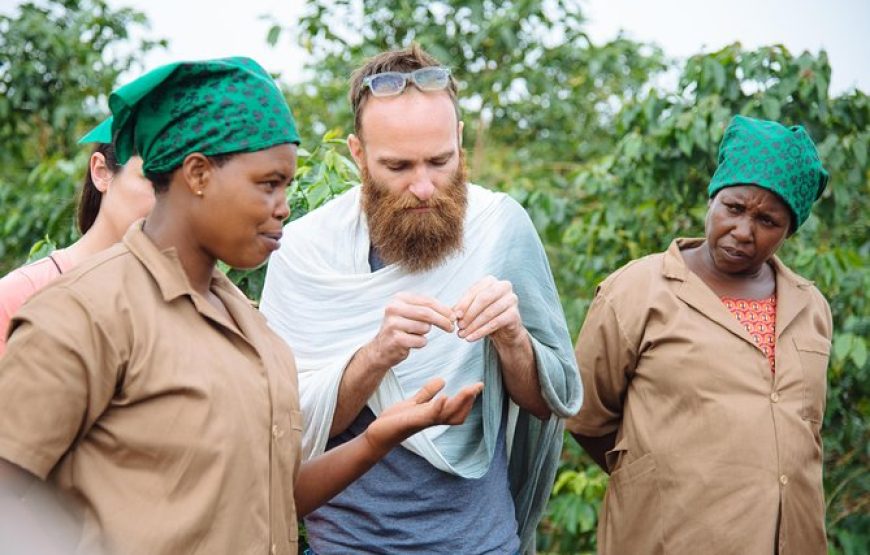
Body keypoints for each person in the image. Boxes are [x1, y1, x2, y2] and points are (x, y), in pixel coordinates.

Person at [0, 57, 483, 555]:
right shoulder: (87, 314)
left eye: (288, 186)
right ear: (198, 174)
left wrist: (377, 438)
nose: (285, 206)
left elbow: (269, 504)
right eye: (268, 183)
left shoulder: (252, 329)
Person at [259, 44, 582, 554]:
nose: (425, 187)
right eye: (398, 167)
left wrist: (513, 338)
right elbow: (283, 427)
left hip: (479, 544)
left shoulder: (499, 229)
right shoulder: (305, 251)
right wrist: (376, 356)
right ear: (358, 155)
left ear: (459, 143)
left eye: (440, 161)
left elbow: (550, 401)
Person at [567, 115, 832, 554]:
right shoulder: (636, 290)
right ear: (712, 198)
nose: (743, 231)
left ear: (789, 230)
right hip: (672, 539)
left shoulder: (810, 307)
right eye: (734, 208)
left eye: (768, 220)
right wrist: (661, 474)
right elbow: (586, 415)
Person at [0, 120, 153, 356]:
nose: (171, 201)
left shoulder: (191, 300)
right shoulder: (21, 294)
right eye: (153, 178)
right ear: (101, 172)